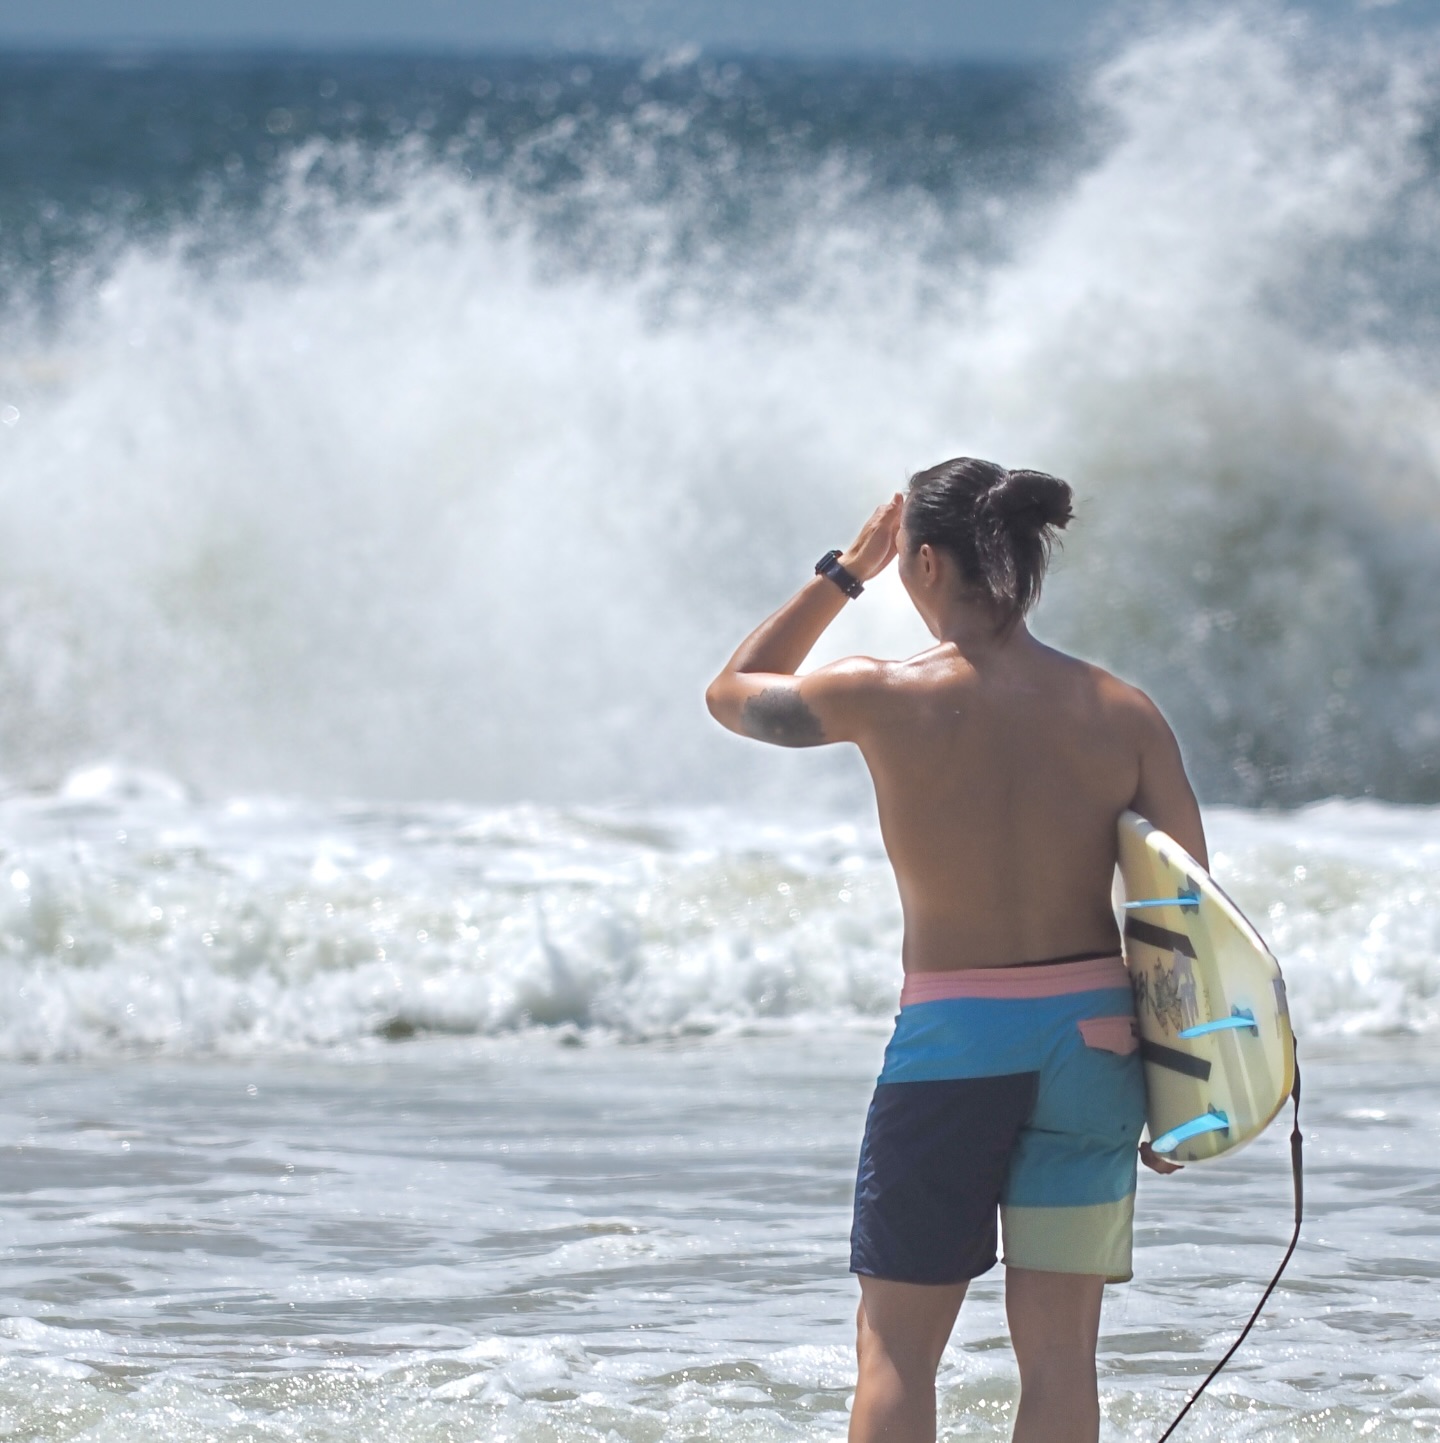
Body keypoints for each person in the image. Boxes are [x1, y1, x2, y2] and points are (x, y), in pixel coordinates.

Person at [704, 457, 1206, 1443]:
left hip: (956, 1040)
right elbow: (1185, 911)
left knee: (897, 1352)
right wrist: (1188, 1087)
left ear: (923, 562)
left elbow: (732, 691)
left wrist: (843, 573)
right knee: (1061, 1359)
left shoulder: (881, 694)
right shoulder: (1122, 710)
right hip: (1097, 1045)